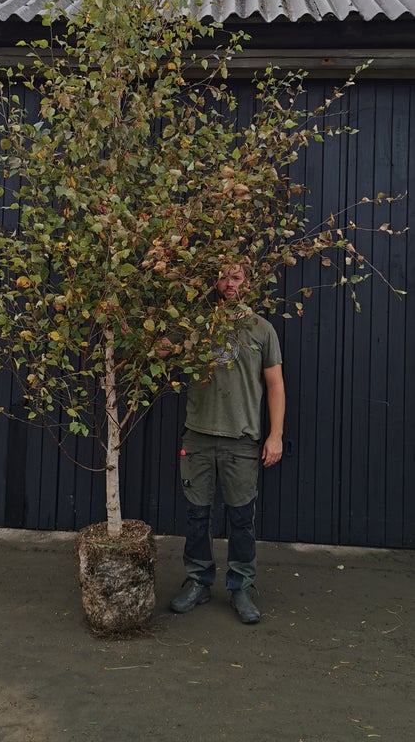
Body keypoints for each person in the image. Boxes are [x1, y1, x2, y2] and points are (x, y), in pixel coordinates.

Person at [169, 263, 285, 624]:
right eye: (223, 276)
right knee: (196, 515)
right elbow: (157, 349)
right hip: (198, 435)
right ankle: (199, 581)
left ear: (248, 284)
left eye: (237, 278)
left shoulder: (261, 330)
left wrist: (275, 434)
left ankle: (240, 587)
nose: (229, 283)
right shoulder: (196, 326)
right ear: (214, 281)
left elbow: (275, 386)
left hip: (242, 439)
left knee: (241, 519)